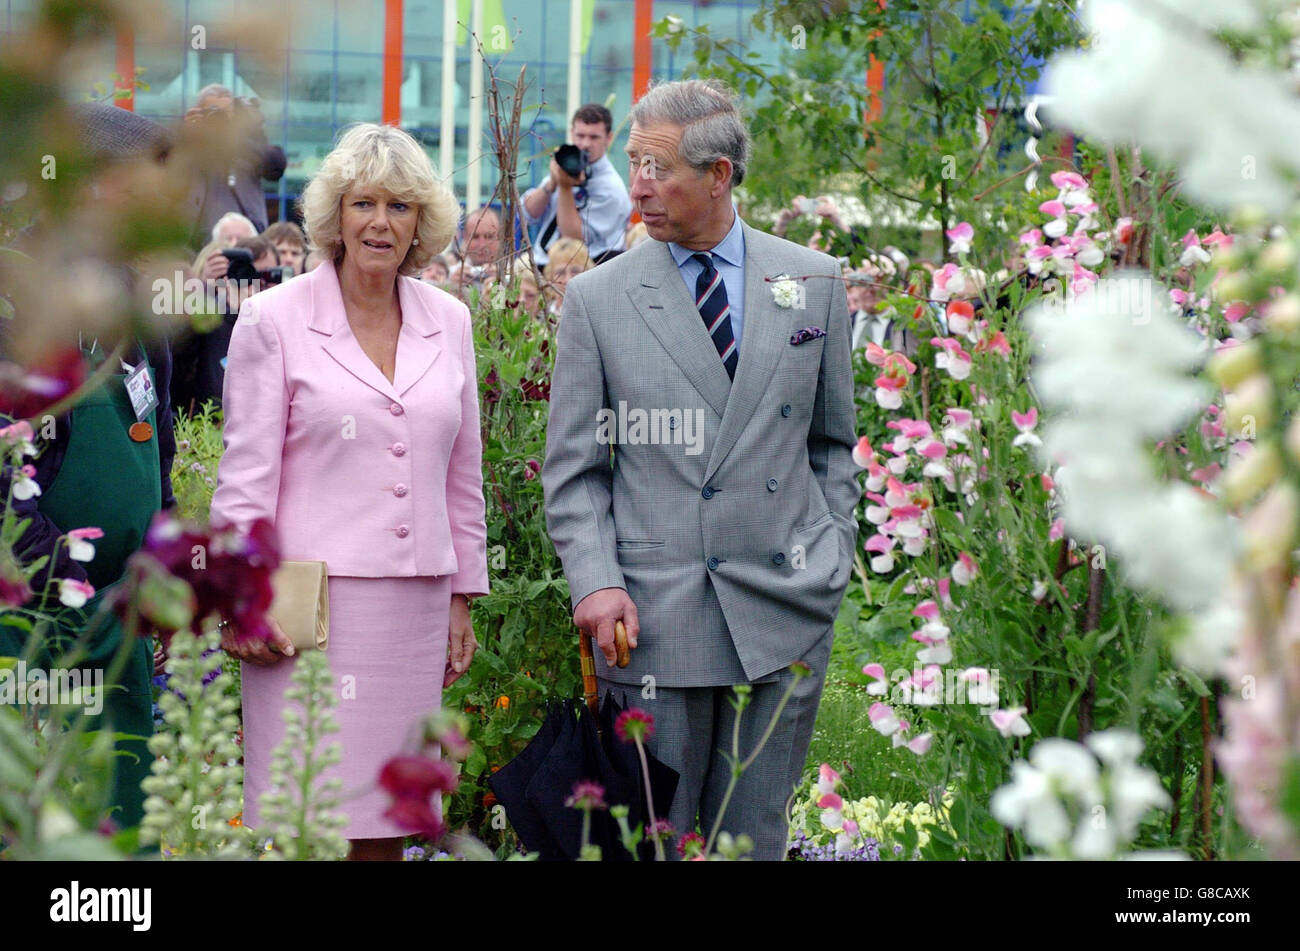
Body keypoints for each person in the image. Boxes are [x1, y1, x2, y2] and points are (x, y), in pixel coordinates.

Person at [542, 79, 859, 860]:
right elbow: (575, 470)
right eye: (632, 163)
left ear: (718, 175)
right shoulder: (598, 299)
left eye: (657, 167)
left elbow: (833, 445)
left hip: (782, 611)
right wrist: (596, 580)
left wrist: (830, 556)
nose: (636, 185)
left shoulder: (814, 281)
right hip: (650, 621)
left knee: (752, 843)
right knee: (651, 844)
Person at [209, 122, 488, 862]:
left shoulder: (450, 320)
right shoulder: (274, 318)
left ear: (420, 223)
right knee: (311, 818)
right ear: (337, 215)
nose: (380, 222)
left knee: (391, 826)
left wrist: (464, 594)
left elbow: (464, 473)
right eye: (364, 203)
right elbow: (245, 477)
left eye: (399, 206)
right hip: (310, 610)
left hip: (415, 613)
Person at [0, 102, 179, 834]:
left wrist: (162, 572)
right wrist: (61, 584)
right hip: (33, 627)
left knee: (120, 823)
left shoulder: (136, 309)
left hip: (122, 628)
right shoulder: (20, 297)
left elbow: (156, 450)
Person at [170, 234, 279, 417]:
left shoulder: (288, 317)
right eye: (249, 275)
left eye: (266, 275)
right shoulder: (211, 320)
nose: (258, 283)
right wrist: (205, 290)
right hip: (206, 427)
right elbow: (179, 364)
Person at [522, 103, 632, 268]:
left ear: (609, 138)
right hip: (543, 263)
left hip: (582, 270)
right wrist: (551, 185)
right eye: (580, 136)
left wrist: (565, 188)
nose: (585, 144)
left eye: (594, 137)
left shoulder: (611, 188)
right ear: (572, 133)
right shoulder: (565, 166)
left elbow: (573, 239)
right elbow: (527, 214)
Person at [188, 84, 287, 240]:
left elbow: (276, 167)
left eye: (224, 112)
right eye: (212, 111)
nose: (218, 117)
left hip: (248, 237)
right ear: (198, 112)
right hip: (203, 239)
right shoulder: (190, 141)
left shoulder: (248, 142)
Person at [540, 237, 592, 317]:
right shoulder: (541, 316)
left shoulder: (596, 314)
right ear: (550, 276)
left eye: (575, 271)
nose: (568, 279)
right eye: (561, 272)